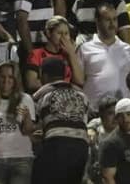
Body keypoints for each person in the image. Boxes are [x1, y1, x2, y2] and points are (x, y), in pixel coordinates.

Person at [32, 56, 89, 184]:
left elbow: (35, 126)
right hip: (81, 148)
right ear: (64, 74)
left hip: (56, 145)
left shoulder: (40, 96)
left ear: (43, 75)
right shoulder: (82, 96)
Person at [77, 2, 130, 112]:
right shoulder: (85, 49)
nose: (112, 24)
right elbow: (78, 82)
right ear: (97, 21)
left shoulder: (128, 50)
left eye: (115, 19)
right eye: (107, 20)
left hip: (122, 113)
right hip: (93, 111)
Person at [0, 62, 35, 184]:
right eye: (3, 77)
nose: (6, 80)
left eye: (10, 77)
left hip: (21, 158)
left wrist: (26, 117)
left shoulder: (25, 99)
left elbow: (28, 131)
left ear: (16, 79)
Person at [24, 15, 84, 93]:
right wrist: (60, 85)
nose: (63, 38)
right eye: (59, 33)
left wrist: (71, 54)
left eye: (66, 34)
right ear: (49, 33)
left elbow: (80, 81)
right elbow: (31, 83)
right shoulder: (36, 54)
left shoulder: (70, 55)